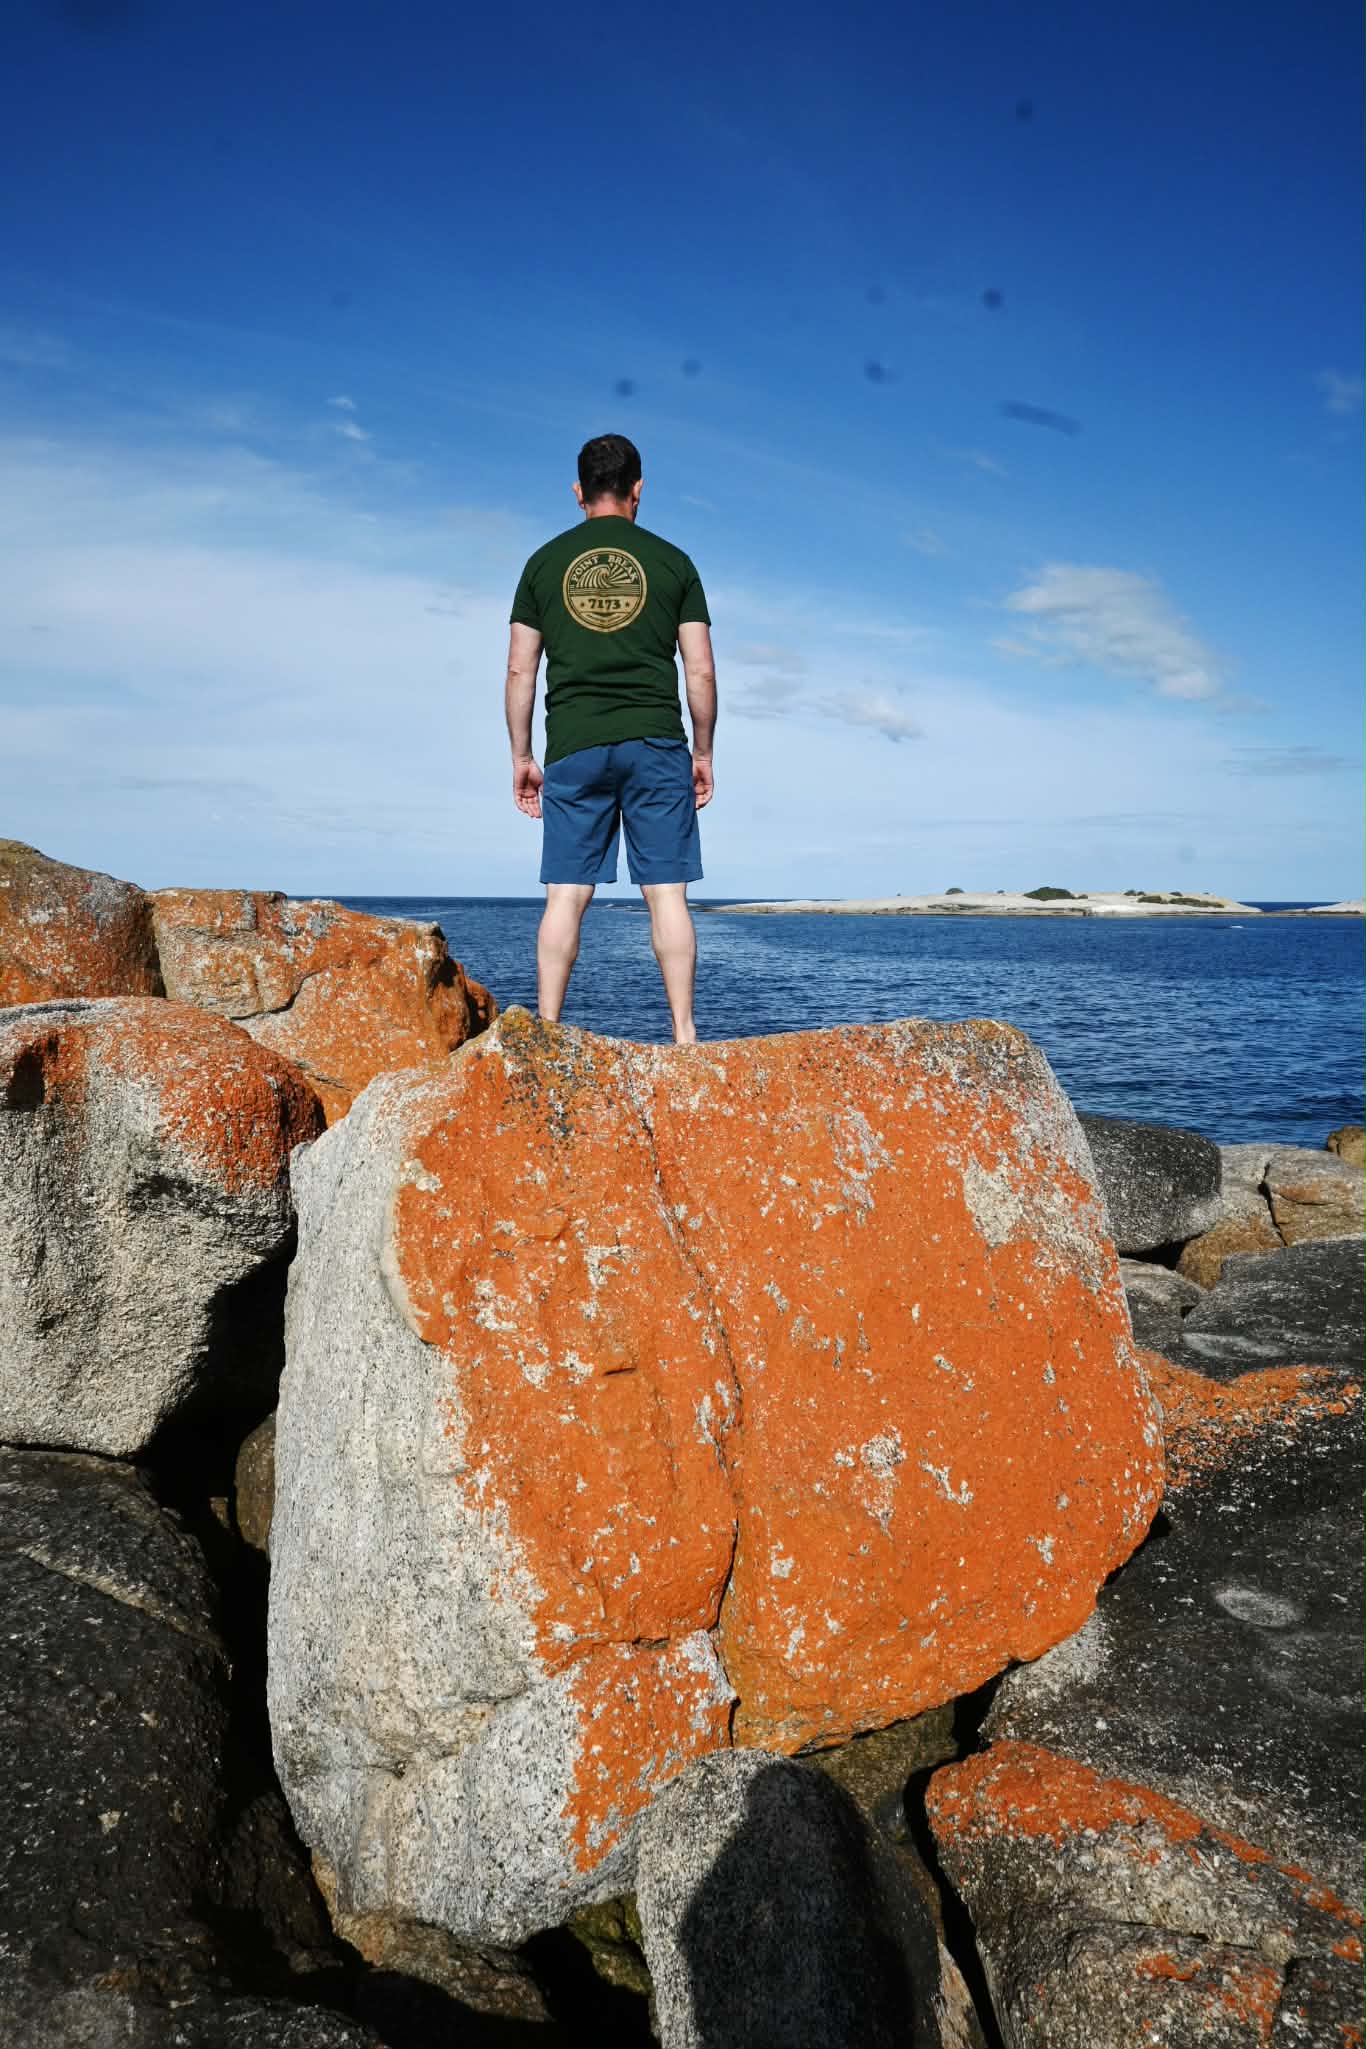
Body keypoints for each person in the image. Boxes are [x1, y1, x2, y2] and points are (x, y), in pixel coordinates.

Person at [504, 433, 717, 1044]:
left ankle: (546, 1035)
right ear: (638, 488)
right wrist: (702, 753)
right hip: (656, 741)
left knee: (565, 897)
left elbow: (521, 669)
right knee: (666, 895)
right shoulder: (675, 563)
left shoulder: (543, 565)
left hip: (574, 743)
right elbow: (699, 670)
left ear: (579, 493)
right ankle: (683, 1036)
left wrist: (522, 756)